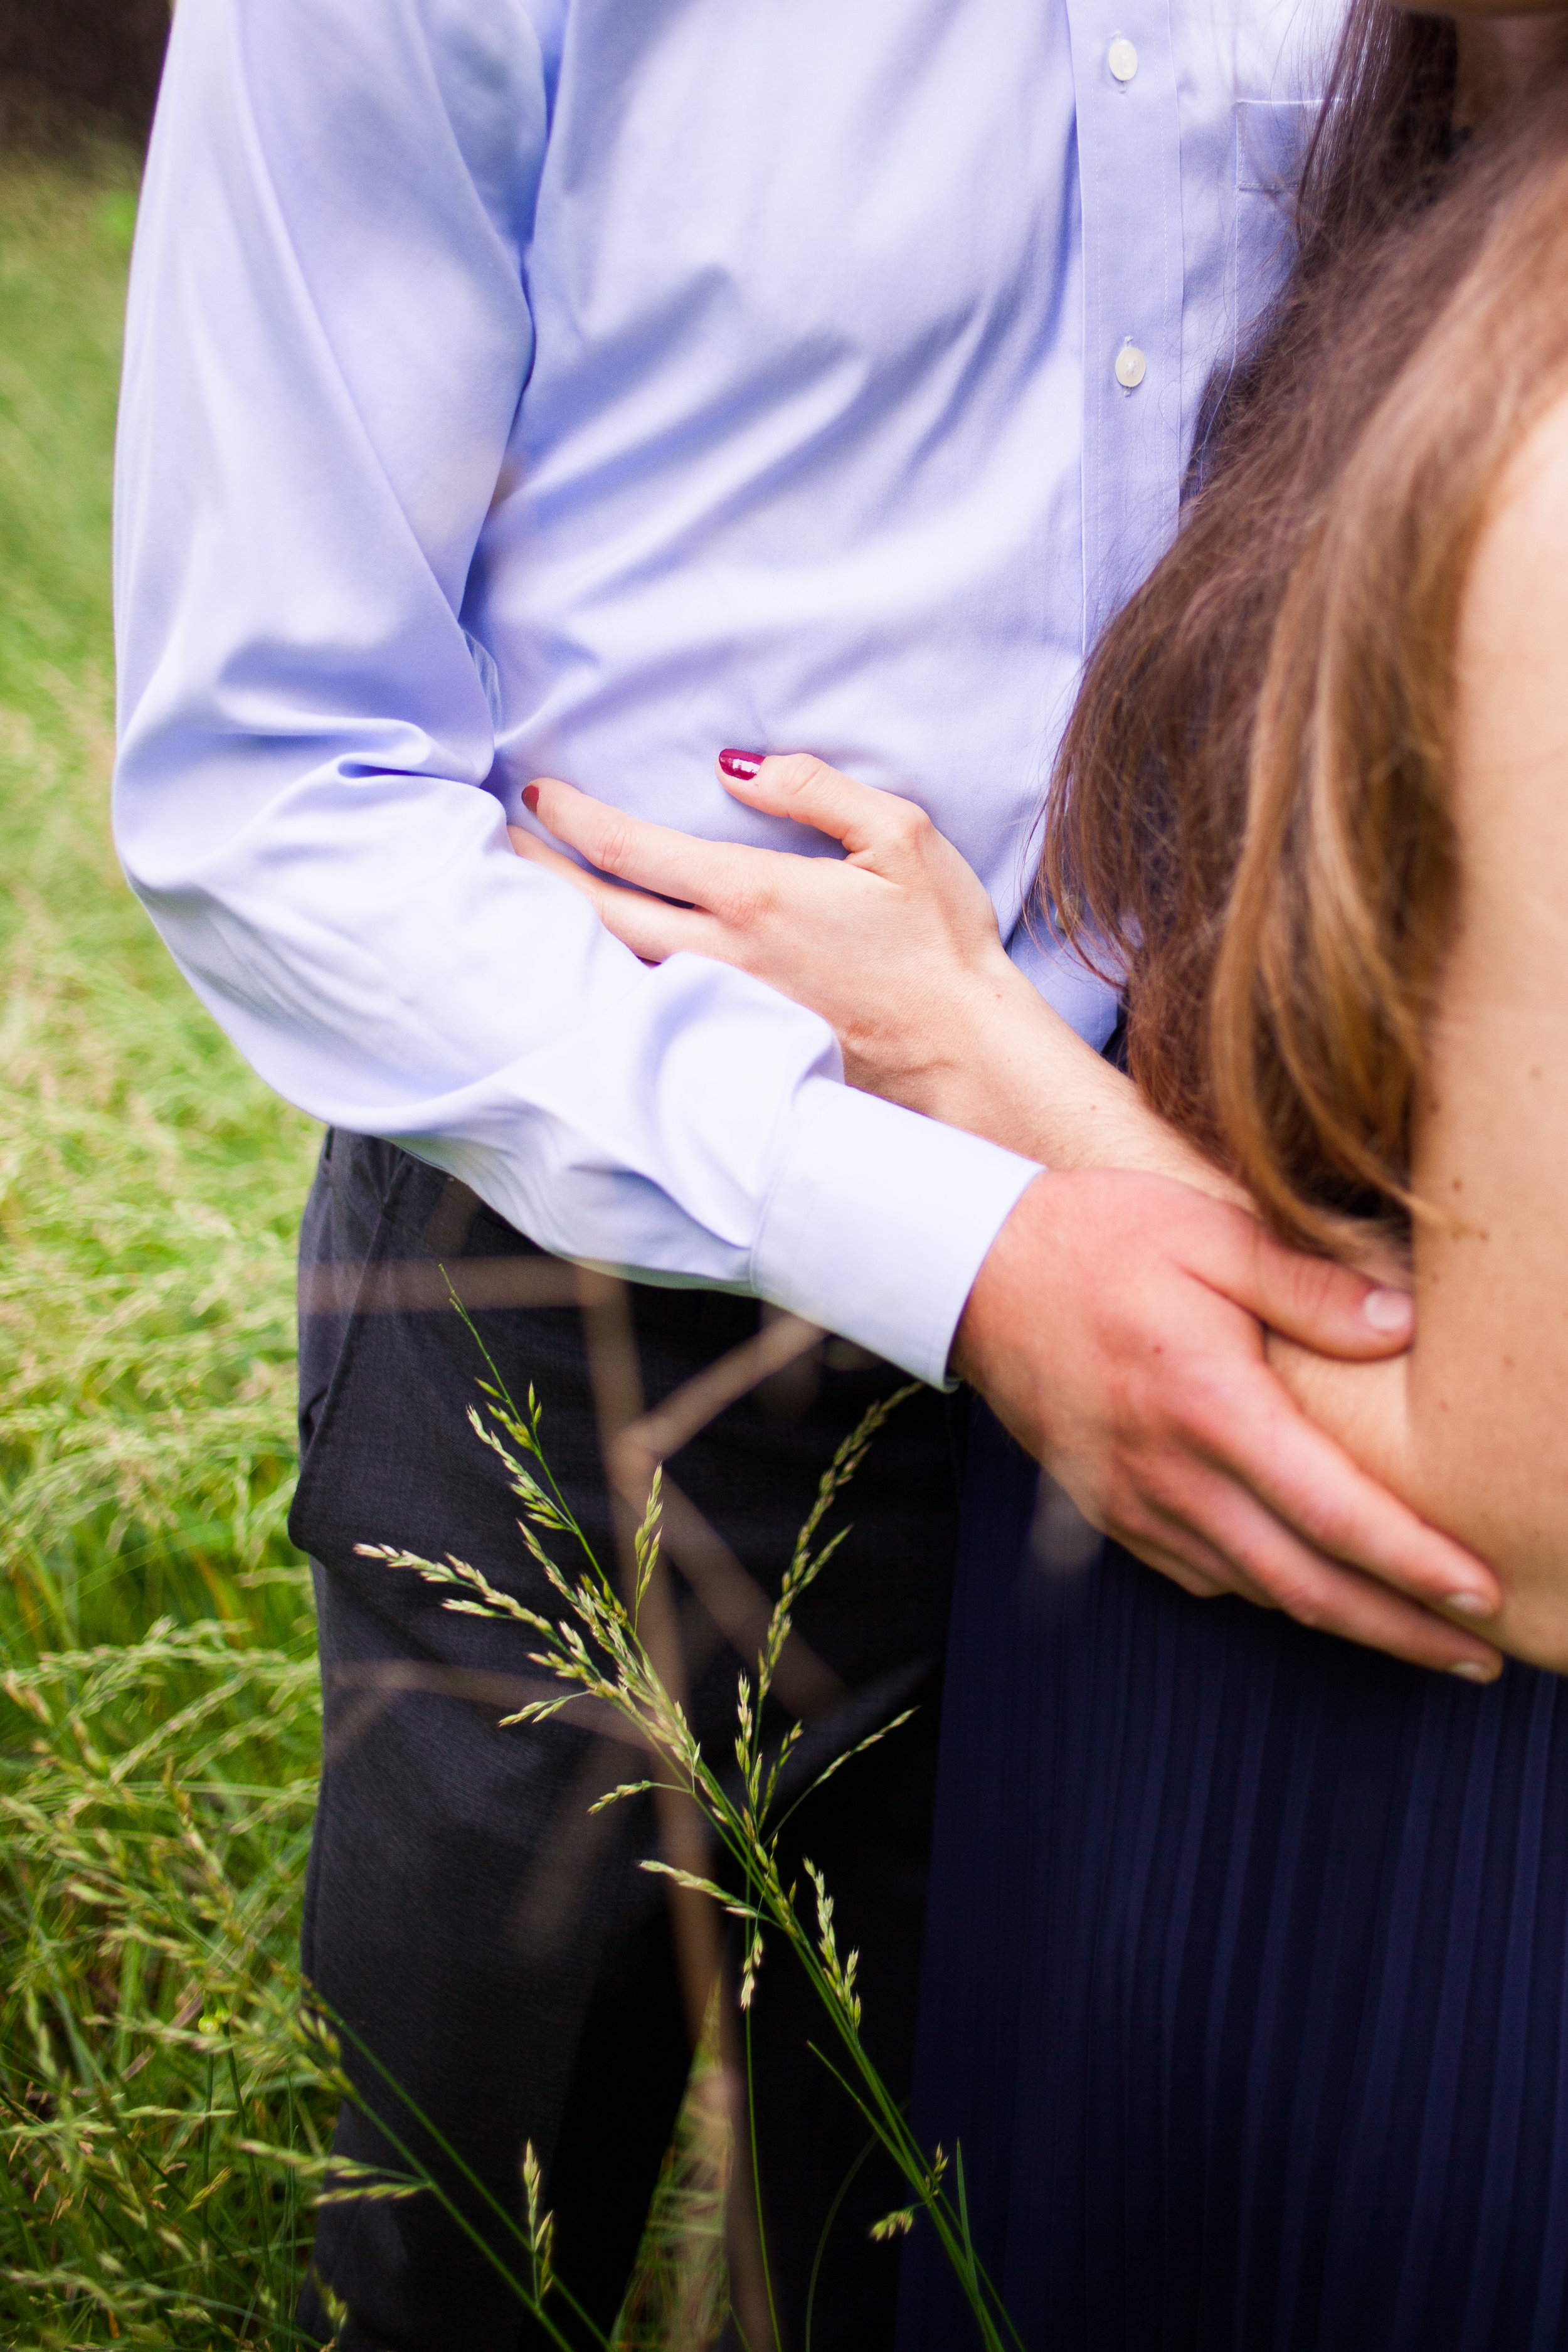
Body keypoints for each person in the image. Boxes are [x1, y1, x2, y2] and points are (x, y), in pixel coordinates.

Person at [112, 0, 1511, 2342]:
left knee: (1004, 2278)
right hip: (572, 1313)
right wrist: (960, 1246)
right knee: (476, 2272)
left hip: (1257, 1289)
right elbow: (273, 772)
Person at [510, 0, 1568, 2340]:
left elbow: (1528, 1514)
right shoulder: (1430, 185)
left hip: (1421, 1788)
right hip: (1157, 1640)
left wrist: (994, 1084)